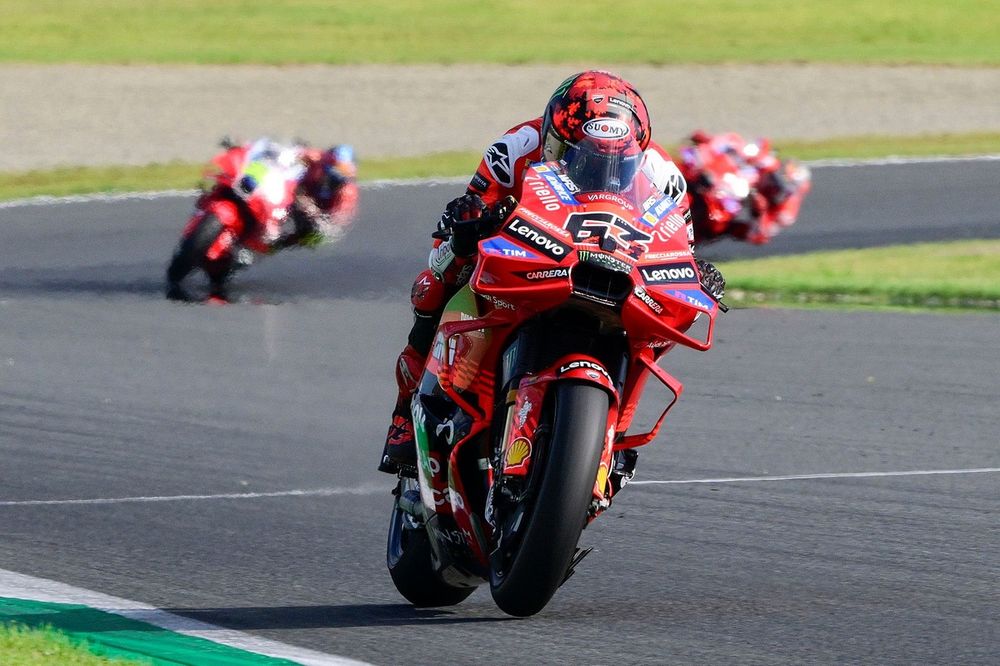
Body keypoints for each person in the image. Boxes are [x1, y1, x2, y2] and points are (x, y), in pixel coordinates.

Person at [378, 70, 725, 477]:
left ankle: (612, 442)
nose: (595, 168)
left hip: (609, 265)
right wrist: (470, 220)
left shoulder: (664, 177)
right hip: (525, 252)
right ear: (551, 136)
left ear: (638, 153)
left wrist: (695, 273)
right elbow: (469, 207)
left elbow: (677, 245)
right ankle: (406, 412)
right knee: (438, 275)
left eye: (613, 162)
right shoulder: (515, 148)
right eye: (573, 152)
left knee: (670, 314)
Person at [686, 130, 808, 243]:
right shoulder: (770, 163)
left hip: (738, 198)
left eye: (777, 184)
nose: (771, 182)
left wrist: (759, 212)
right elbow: (740, 144)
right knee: (727, 142)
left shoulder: (786, 213)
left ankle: (697, 236)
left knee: (719, 224)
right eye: (774, 176)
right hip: (735, 178)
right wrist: (710, 141)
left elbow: (760, 235)